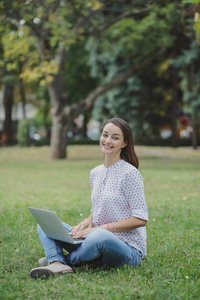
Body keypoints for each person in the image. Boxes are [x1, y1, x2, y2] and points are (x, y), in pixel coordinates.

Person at [30, 118, 148, 278]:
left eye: (115, 137)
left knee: (99, 237)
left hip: (127, 248)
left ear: (124, 143)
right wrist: (88, 221)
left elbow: (140, 219)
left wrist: (102, 228)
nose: (107, 141)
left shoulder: (130, 174)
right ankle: (57, 264)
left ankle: (61, 260)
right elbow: (99, 207)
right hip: (93, 238)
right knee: (45, 224)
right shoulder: (96, 172)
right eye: (105, 135)